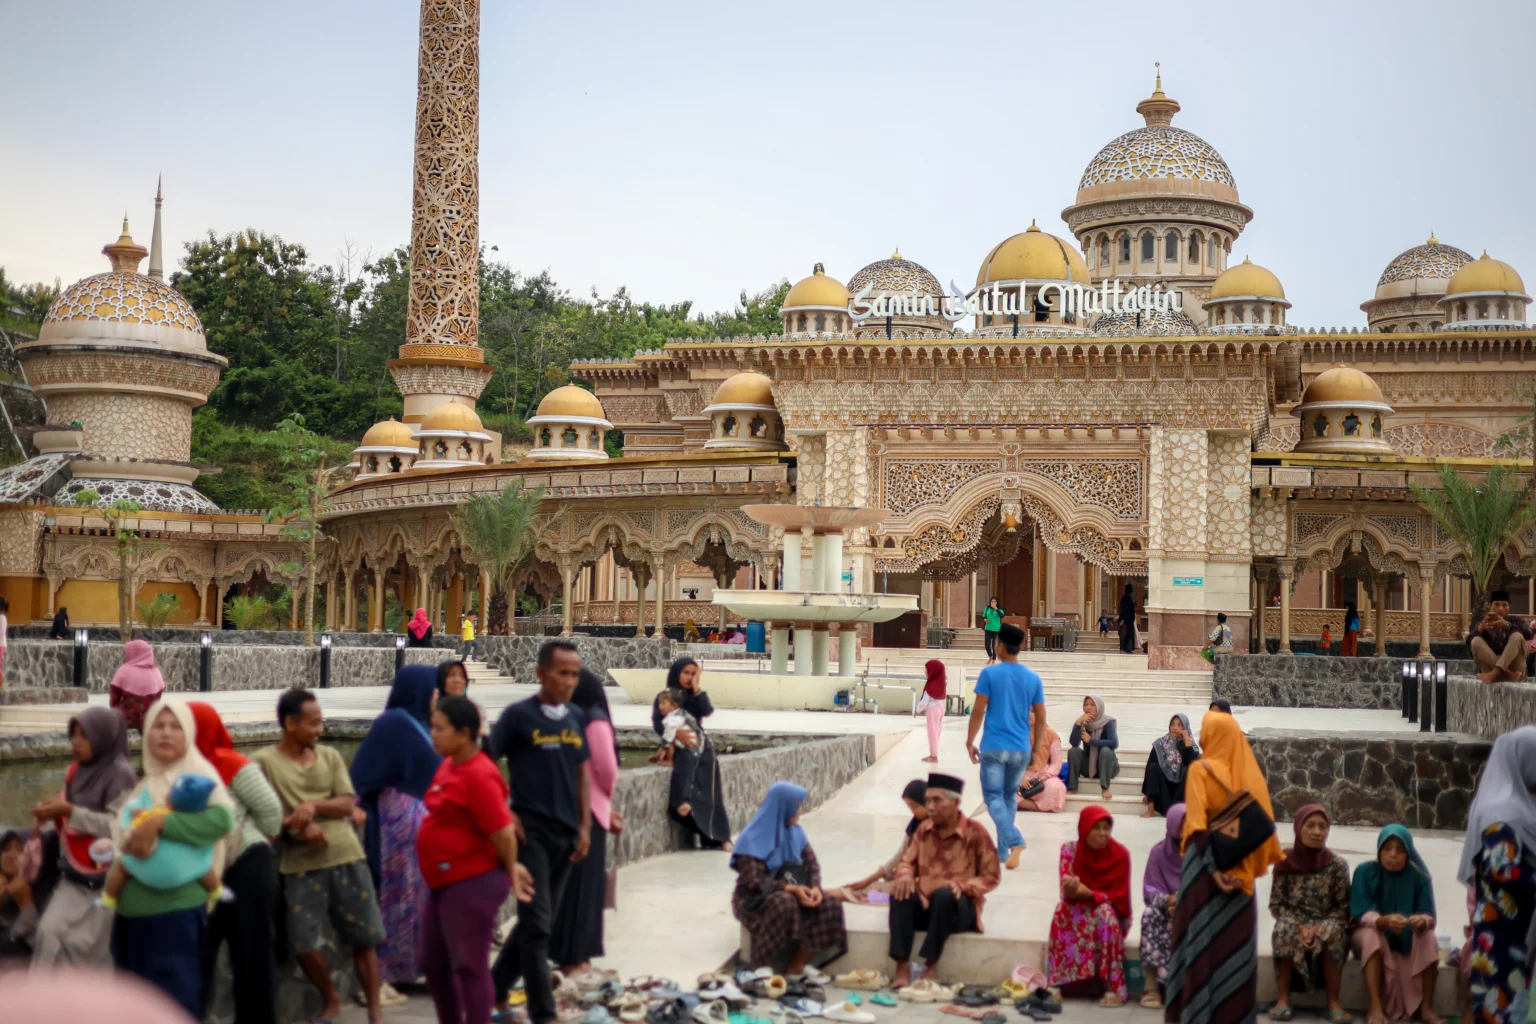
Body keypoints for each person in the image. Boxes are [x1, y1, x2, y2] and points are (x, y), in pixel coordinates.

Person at [252, 689, 385, 1024]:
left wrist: (313, 807)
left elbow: (347, 802)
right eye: (312, 723)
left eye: (320, 722)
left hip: (346, 854)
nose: (318, 730)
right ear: (289, 724)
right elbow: (262, 816)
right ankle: (332, 998)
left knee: (365, 935)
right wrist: (297, 823)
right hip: (299, 863)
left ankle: (374, 1011)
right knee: (301, 941)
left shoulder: (329, 757)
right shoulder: (264, 762)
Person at [109, 699, 237, 1018]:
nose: (166, 734)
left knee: (172, 1004)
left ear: (189, 733)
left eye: (175, 726)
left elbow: (220, 821)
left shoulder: (198, 776)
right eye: (158, 726)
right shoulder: (149, 781)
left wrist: (160, 822)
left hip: (175, 914)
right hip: (132, 914)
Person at [489, 639, 593, 1024]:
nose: (569, 681)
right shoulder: (518, 717)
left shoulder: (576, 717)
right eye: (562, 673)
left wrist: (584, 826)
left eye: (574, 674)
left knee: (538, 922)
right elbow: (486, 763)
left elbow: (582, 773)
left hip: (568, 835)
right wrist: (504, 811)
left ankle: (494, 987)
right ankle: (543, 1013)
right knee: (537, 927)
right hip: (530, 833)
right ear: (541, 674)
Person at [1163, 710, 1285, 1024]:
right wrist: (1236, 870)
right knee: (1235, 952)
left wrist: (1214, 871)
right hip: (1240, 876)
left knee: (1201, 945)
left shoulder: (1201, 770)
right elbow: (1261, 829)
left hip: (1204, 875)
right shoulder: (1248, 773)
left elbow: (1197, 826)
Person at [418, 695, 530, 1024]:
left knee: (469, 964)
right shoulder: (448, 763)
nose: (433, 734)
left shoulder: (480, 774)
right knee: (434, 963)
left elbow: (503, 832)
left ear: (464, 733)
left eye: (440, 728)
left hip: (471, 881)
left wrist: (511, 869)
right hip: (442, 882)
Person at [351, 665, 442, 1003]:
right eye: (433, 691)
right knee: (397, 895)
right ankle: (386, 973)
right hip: (396, 829)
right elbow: (363, 776)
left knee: (419, 898)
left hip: (419, 827)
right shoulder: (392, 724)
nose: (436, 698)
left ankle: (411, 969)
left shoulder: (421, 724)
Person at [189, 702, 283, 1024]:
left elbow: (271, 813)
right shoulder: (176, 770)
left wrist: (244, 844)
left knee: (252, 960)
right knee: (196, 957)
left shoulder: (233, 764)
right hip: (201, 875)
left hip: (246, 869)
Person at [30, 706, 138, 966]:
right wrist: (51, 812)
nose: (75, 742)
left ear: (102, 737)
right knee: (48, 933)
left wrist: (70, 811)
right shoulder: (76, 772)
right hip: (73, 877)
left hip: (109, 880)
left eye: (84, 735)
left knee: (86, 951)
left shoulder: (120, 775)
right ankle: (41, 1005)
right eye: (73, 734)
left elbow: (119, 826)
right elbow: (68, 812)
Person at [888, 774, 999, 987]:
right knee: (900, 893)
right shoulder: (923, 830)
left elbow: (991, 876)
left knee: (944, 895)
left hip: (958, 910)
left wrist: (964, 886)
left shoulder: (975, 832)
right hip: (925, 905)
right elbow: (906, 861)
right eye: (928, 800)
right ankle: (902, 968)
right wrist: (904, 875)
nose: (930, 806)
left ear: (956, 802)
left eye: (937, 800)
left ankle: (931, 965)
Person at [730, 781, 846, 981]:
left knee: (830, 904)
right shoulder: (752, 838)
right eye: (796, 806)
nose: (799, 811)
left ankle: (798, 965)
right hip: (755, 900)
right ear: (782, 807)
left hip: (793, 892)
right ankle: (761, 964)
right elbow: (755, 881)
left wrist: (815, 888)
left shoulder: (796, 833)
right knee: (784, 902)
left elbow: (812, 865)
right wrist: (791, 889)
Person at [1458, 726, 1536, 1024]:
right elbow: (1504, 872)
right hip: (1504, 932)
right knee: (1501, 1007)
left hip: (1518, 928)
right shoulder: (1502, 812)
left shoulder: (1521, 807)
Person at [551, 667, 625, 977]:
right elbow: (606, 769)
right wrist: (605, 803)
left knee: (568, 886)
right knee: (585, 886)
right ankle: (576, 958)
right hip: (590, 813)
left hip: (563, 808)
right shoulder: (595, 719)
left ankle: (566, 953)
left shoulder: (563, 718)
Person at [966, 621, 1045, 870]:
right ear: (1020, 646)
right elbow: (1041, 718)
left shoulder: (990, 674)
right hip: (1020, 747)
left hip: (994, 746)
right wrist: (1036, 748)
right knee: (1009, 796)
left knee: (992, 796)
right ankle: (1002, 851)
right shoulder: (1033, 679)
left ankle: (1014, 839)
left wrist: (970, 741)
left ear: (1000, 646)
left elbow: (978, 711)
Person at [1269, 805, 1351, 1024]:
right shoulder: (1284, 861)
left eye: (1323, 827)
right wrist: (1299, 927)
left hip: (1326, 923)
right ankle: (1283, 1000)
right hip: (1293, 922)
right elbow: (1276, 905)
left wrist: (1317, 928)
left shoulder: (1337, 865)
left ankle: (1333, 1002)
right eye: (1310, 825)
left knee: (1334, 931)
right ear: (1298, 828)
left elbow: (1343, 909)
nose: (1317, 832)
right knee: (1283, 927)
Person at [1351, 825, 1439, 1024]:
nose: (1393, 855)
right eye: (1387, 848)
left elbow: (1428, 915)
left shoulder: (1419, 877)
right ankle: (1375, 1008)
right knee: (1371, 934)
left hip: (1406, 937)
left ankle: (1426, 1008)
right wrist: (1383, 921)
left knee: (1429, 937)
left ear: (1408, 853)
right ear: (1379, 850)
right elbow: (1359, 913)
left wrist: (1420, 922)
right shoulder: (1365, 872)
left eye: (1400, 850)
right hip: (1371, 937)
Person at [1048, 805, 1132, 1007]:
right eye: (1097, 828)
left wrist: (1089, 893)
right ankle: (1057, 982)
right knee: (1062, 911)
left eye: (1106, 828)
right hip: (1079, 906)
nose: (1103, 834)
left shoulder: (1120, 854)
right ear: (1084, 829)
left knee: (1104, 914)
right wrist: (1070, 888)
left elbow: (1118, 899)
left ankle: (1114, 988)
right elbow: (1068, 892)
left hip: (1111, 911)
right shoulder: (1069, 851)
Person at [653, 657, 730, 849]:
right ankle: (692, 816)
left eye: (692, 674)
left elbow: (706, 710)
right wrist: (677, 734)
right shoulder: (666, 697)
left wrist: (696, 687)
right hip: (681, 748)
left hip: (701, 748)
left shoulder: (693, 696)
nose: (688, 677)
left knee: (711, 796)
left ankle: (720, 837)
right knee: (682, 789)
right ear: (677, 673)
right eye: (686, 673)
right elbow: (658, 723)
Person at [834, 780, 928, 902]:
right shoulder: (915, 825)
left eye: (915, 806)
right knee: (862, 888)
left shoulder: (935, 829)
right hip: (906, 878)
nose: (913, 811)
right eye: (910, 807)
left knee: (869, 893)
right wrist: (868, 880)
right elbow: (899, 857)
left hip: (922, 887)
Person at [1139, 805, 1186, 1010]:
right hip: (1166, 909)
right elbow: (1149, 890)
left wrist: (1187, 901)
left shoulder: (1202, 852)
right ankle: (1151, 987)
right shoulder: (1159, 853)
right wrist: (1167, 901)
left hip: (1193, 910)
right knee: (1150, 915)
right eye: (1183, 823)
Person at [1468, 589, 1532, 684]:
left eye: (1504, 605)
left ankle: (1496, 673)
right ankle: (1506, 674)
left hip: (1515, 668)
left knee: (1517, 636)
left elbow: (1529, 634)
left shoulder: (1515, 620)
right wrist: (1479, 631)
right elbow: (1469, 648)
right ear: (1490, 606)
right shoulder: (1483, 622)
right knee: (1476, 640)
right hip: (1495, 668)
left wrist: (1507, 626)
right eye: (1497, 604)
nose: (1501, 608)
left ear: (1509, 607)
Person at [1141, 714, 1199, 818]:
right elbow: (1150, 765)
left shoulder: (1191, 745)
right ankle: (1151, 809)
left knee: (1192, 768)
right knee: (1153, 767)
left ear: (1185, 727)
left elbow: (1193, 762)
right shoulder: (1161, 743)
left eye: (1180, 725)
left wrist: (1186, 740)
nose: (1175, 727)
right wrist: (1147, 793)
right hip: (1164, 792)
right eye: (1172, 724)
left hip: (1181, 794)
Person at [1068, 695, 1119, 800]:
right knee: (1073, 751)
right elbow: (1074, 743)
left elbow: (1114, 743)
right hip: (1089, 766)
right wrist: (1077, 724)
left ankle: (1105, 788)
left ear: (1099, 707)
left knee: (1106, 750)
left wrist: (1092, 741)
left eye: (1092, 705)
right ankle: (1073, 787)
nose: (1088, 707)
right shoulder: (1083, 722)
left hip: (1108, 766)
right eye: (1086, 705)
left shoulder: (1107, 722)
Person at [109, 639, 166, 732]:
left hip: (124, 723)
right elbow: (157, 700)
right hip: (150, 722)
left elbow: (113, 701)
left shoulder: (123, 671)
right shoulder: (157, 673)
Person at [0, 828, 39, 961]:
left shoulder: (41, 893)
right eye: (6, 849)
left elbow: (42, 947)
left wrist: (25, 903)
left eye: (20, 850)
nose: (11, 855)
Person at [1018, 724, 1066, 813]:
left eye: (1032, 711)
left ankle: (1028, 805)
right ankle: (1038, 807)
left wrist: (1046, 776)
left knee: (1058, 788)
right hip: (1020, 774)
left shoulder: (1050, 734)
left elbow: (1056, 763)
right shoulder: (1015, 732)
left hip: (1043, 775)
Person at [917, 659, 945, 763]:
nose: (925, 672)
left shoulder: (930, 686)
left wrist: (917, 710)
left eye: (926, 670)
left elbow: (924, 702)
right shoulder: (940, 683)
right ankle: (933, 753)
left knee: (932, 733)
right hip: (940, 707)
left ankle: (934, 756)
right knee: (937, 732)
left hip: (932, 710)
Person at [983, 597, 1004, 662]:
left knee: (994, 645)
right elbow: (984, 616)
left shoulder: (1000, 609)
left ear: (997, 602)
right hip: (988, 628)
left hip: (996, 629)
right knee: (987, 644)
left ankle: (993, 660)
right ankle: (990, 656)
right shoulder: (987, 608)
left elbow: (1002, 616)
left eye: (995, 602)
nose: (993, 603)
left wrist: (996, 609)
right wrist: (985, 620)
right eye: (992, 601)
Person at [1118, 583, 1138, 654]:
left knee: (1128, 635)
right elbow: (1124, 610)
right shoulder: (1126, 599)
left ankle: (1127, 649)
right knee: (1124, 635)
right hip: (1126, 621)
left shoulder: (1127, 598)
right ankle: (1123, 649)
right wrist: (1122, 620)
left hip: (1128, 621)